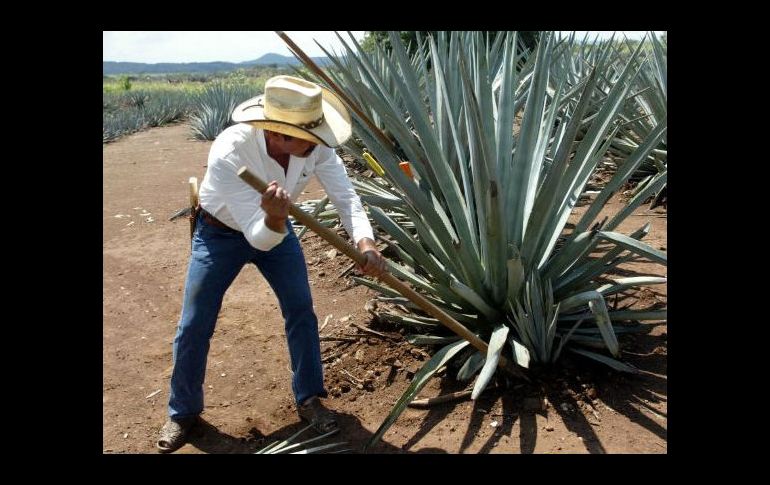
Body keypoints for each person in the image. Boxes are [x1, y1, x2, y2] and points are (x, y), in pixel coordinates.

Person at [156, 75, 387, 453]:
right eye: (306, 139)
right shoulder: (231, 151)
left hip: (277, 228)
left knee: (301, 310)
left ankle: (309, 398)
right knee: (195, 322)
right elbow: (257, 236)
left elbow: (345, 196)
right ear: (277, 134)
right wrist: (276, 218)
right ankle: (183, 412)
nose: (316, 146)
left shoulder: (314, 145)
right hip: (220, 234)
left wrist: (366, 242)